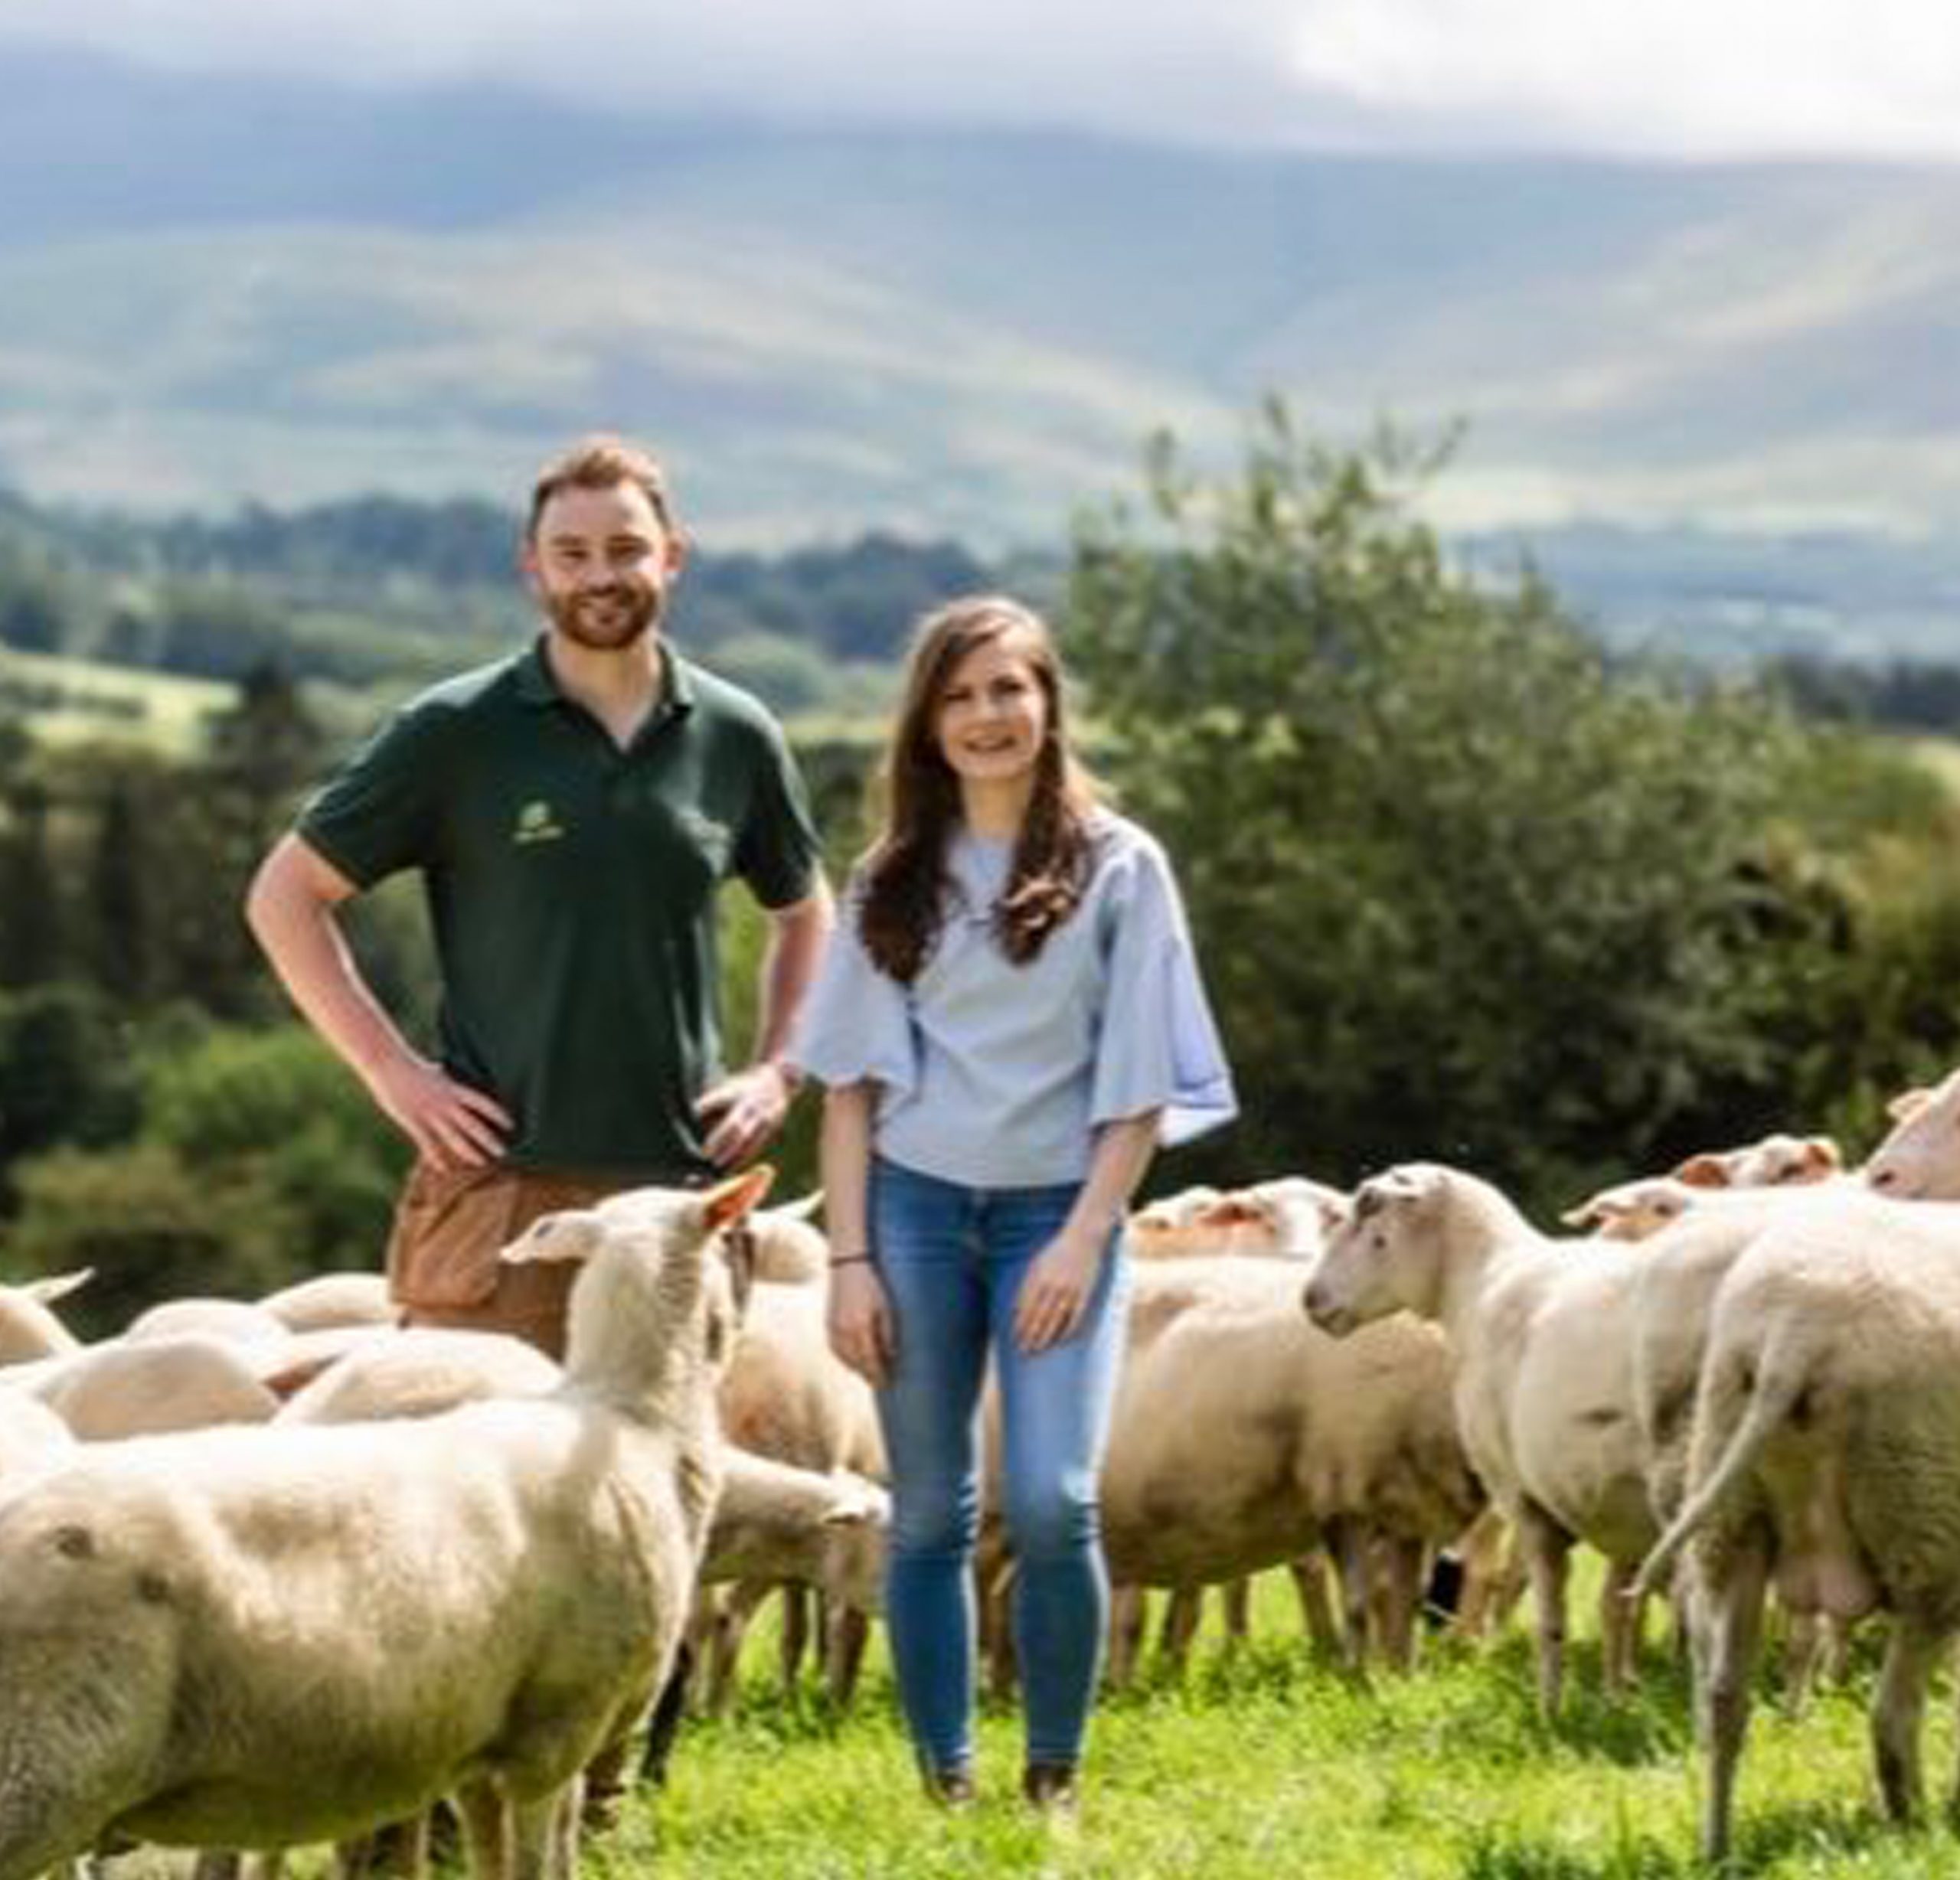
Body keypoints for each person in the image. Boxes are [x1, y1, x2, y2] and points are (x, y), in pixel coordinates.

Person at [246, 433, 831, 1358]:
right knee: (468, 1490)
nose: (601, 574)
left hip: (679, 1200)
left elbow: (805, 913)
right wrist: (390, 1070)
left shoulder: (736, 734)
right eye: (573, 554)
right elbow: (285, 895)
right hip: (501, 1196)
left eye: (626, 549)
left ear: (671, 558)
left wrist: (779, 1069)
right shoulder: (454, 732)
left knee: (665, 1497)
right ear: (533, 569)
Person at [790, 593, 1235, 1812]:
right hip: (916, 1216)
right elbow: (847, 1095)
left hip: (1060, 1216)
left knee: (1054, 1498)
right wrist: (849, 1263)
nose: (986, 716)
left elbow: (1140, 1088)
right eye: (959, 695)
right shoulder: (893, 876)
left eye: (1008, 690)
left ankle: (1055, 1782)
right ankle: (947, 1783)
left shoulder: (1121, 867)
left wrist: (1085, 1241)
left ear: (1046, 704)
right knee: (930, 1509)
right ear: (927, 724)